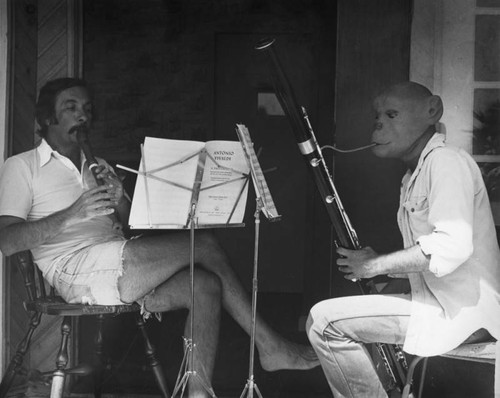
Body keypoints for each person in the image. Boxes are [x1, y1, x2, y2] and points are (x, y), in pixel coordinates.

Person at [0, 77, 319, 398]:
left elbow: (126, 228)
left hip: (119, 264)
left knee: (205, 285)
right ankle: (271, 346)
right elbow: (7, 241)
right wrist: (73, 213)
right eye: (70, 108)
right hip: (75, 272)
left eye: (87, 109)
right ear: (46, 119)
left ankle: (199, 392)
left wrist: (121, 198)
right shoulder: (22, 167)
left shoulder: (97, 166)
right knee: (204, 244)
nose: (82, 115)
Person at [306, 81, 500, 397]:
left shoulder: (445, 161)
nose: (379, 122)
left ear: (432, 111)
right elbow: (424, 265)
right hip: (438, 308)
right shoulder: (413, 175)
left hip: (461, 315)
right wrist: (380, 278)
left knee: (323, 322)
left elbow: (452, 246)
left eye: (392, 114)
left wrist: (375, 265)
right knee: (335, 318)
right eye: (377, 116)